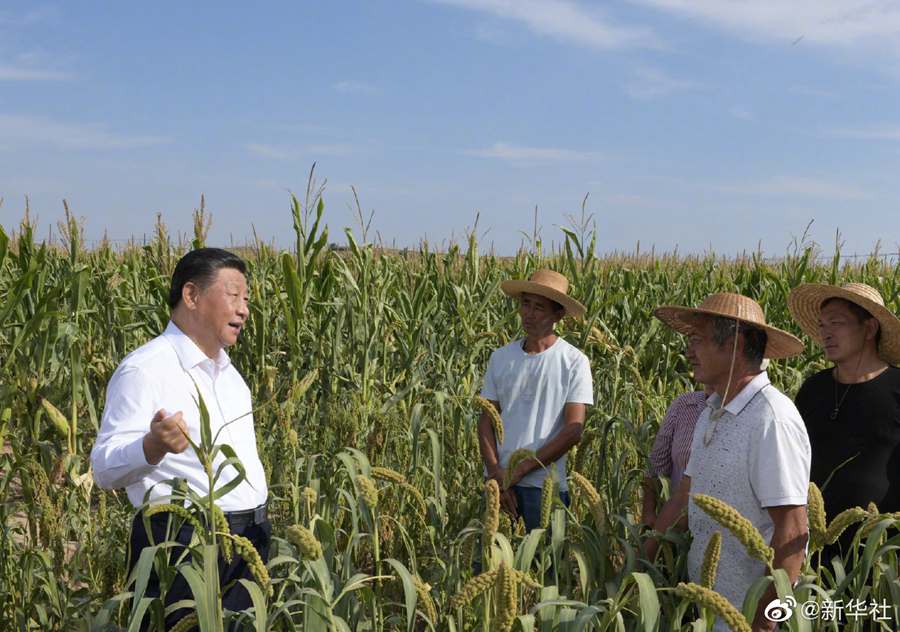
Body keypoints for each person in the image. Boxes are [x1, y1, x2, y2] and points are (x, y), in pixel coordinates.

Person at [91, 248, 269, 631]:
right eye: (233, 295)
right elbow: (103, 467)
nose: (244, 310)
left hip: (248, 543)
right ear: (191, 296)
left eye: (247, 300)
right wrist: (151, 447)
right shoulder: (145, 369)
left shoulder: (231, 376)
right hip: (183, 544)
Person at [645, 293, 810, 632]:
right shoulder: (711, 411)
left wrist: (762, 624)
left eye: (697, 340)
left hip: (744, 619)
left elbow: (793, 532)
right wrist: (638, 564)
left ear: (734, 345)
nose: (688, 351)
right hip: (707, 612)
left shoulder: (771, 420)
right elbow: (684, 498)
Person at [788, 282, 900, 563]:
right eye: (822, 325)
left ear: (870, 328)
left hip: (881, 555)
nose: (825, 333)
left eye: (836, 322)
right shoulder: (813, 389)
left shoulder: (898, 388)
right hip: (813, 552)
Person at [477, 269, 594, 532]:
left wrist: (520, 470)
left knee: (545, 568)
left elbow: (573, 430)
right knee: (494, 568)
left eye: (539, 307)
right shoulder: (501, 358)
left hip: (543, 487)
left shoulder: (574, 362)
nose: (529, 313)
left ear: (558, 315)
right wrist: (497, 475)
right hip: (498, 486)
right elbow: (486, 421)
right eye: (525, 304)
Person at [642, 384, 715, 529]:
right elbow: (656, 465)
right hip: (677, 528)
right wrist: (648, 512)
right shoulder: (684, 404)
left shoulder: (748, 412)